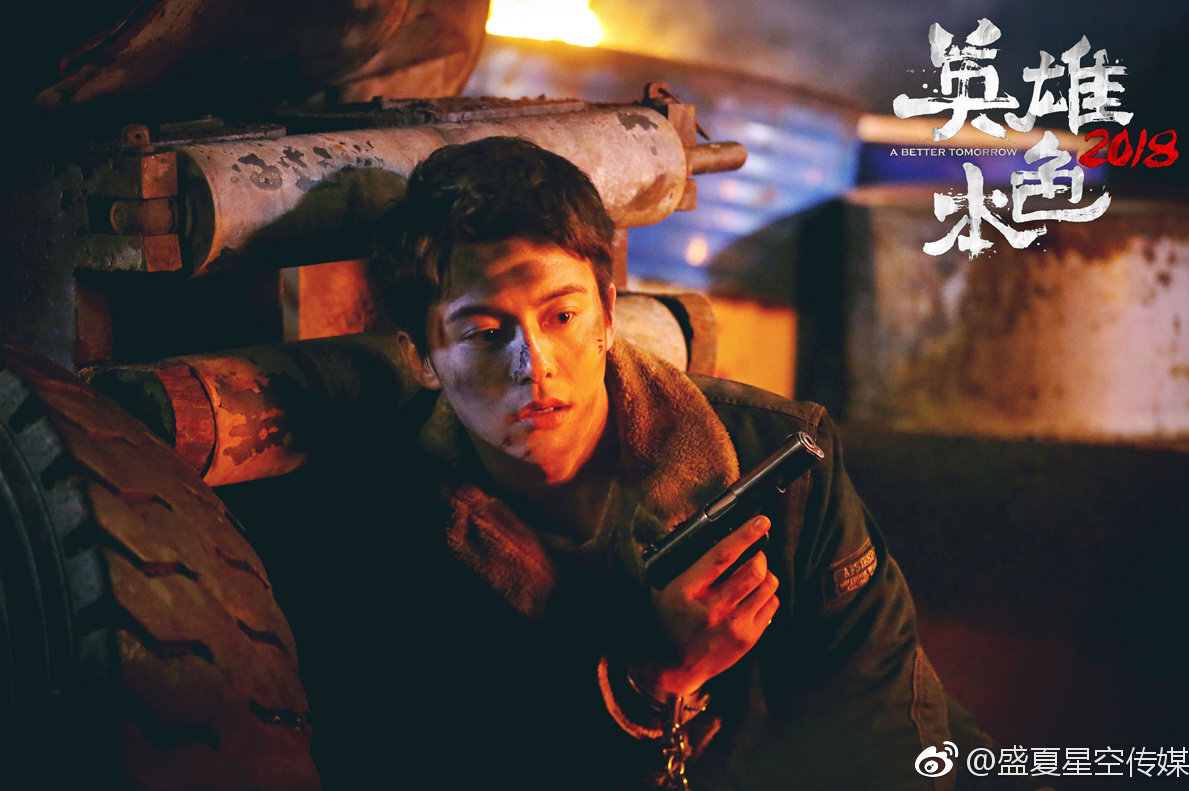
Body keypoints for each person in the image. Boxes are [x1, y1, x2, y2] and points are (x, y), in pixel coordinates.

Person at [361, 136, 978, 790]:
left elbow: (884, 733)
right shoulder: (386, 532)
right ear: (420, 358)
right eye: (485, 333)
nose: (534, 365)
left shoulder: (781, 462)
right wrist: (652, 682)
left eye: (562, 315)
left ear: (607, 315)